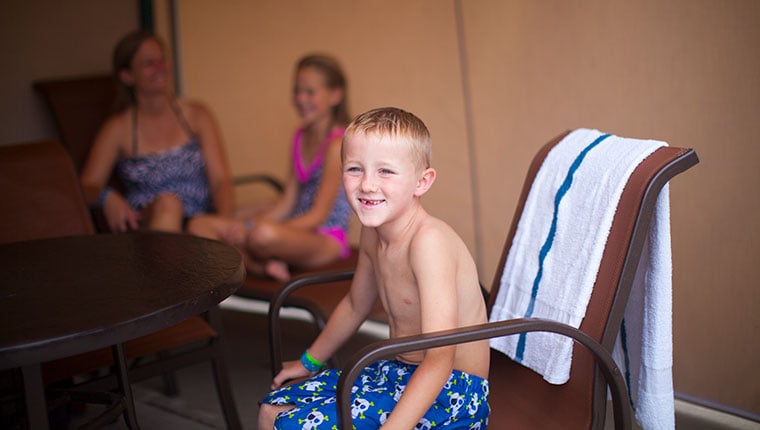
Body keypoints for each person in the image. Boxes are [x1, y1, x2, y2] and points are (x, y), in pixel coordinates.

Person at [258, 107, 491, 429]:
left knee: (295, 426)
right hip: (396, 372)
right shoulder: (372, 232)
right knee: (273, 410)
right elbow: (356, 304)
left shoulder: (429, 242)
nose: (367, 185)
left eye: (385, 172)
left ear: (421, 182)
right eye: (355, 169)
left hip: (451, 392)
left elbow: (440, 358)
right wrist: (309, 361)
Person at [188, 54, 352, 282]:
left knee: (262, 235)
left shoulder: (337, 145)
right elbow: (288, 201)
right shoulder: (300, 136)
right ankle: (263, 266)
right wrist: (247, 225)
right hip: (292, 228)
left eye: (310, 92)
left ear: (335, 95)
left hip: (324, 238)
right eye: (297, 90)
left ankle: (257, 261)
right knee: (199, 225)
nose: (301, 98)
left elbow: (317, 216)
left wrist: (258, 229)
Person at [80, 30, 234, 233]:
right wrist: (106, 197)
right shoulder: (117, 128)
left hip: (200, 222)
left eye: (162, 60)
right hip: (152, 229)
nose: (160, 68)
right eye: (149, 63)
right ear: (127, 76)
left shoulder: (197, 114)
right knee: (169, 204)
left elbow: (221, 181)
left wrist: (223, 224)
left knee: (270, 211)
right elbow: (86, 186)